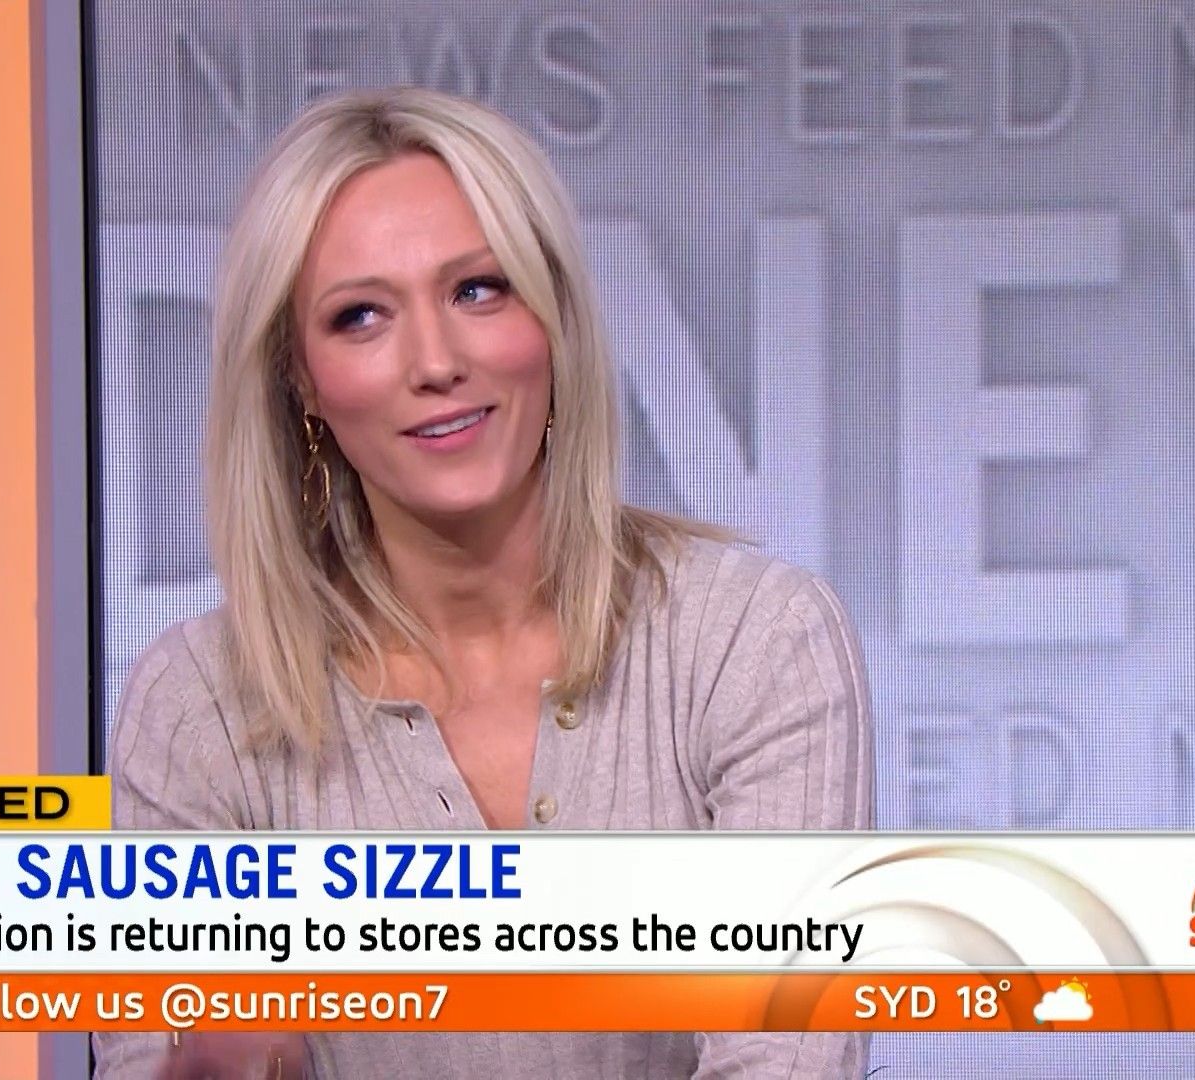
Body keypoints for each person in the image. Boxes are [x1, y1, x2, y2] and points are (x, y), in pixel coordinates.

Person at [93, 86, 874, 1079]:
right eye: (361, 316)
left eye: (478, 290)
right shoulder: (201, 707)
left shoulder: (751, 643)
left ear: (553, 318)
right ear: (301, 380)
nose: (436, 361)